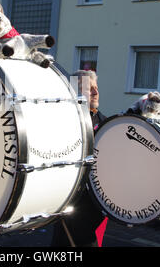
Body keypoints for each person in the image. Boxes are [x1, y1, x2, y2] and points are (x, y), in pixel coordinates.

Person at [51, 70, 107, 247]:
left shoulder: (104, 122)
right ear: (75, 91)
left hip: (97, 205)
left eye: (96, 88)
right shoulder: (64, 120)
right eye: (89, 88)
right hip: (72, 202)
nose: (95, 92)